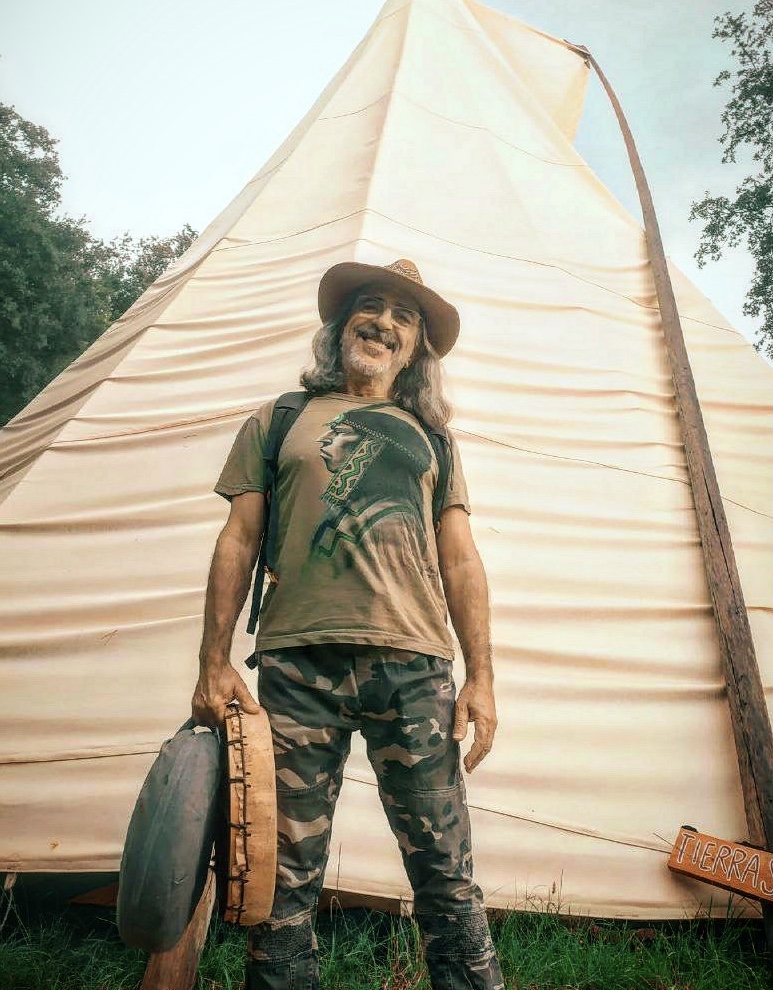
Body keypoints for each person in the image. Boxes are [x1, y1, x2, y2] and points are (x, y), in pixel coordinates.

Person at [192, 258, 503, 989]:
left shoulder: (434, 440)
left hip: (414, 669)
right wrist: (212, 661)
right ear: (340, 327)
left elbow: (460, 558)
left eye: (404, 315)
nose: (384, 322)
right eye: (371, 305)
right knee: (281, 879)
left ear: (415, 348)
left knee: (445, 874)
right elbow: (238, 538)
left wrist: (482, 678)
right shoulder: (279, 420)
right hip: (297, 667)